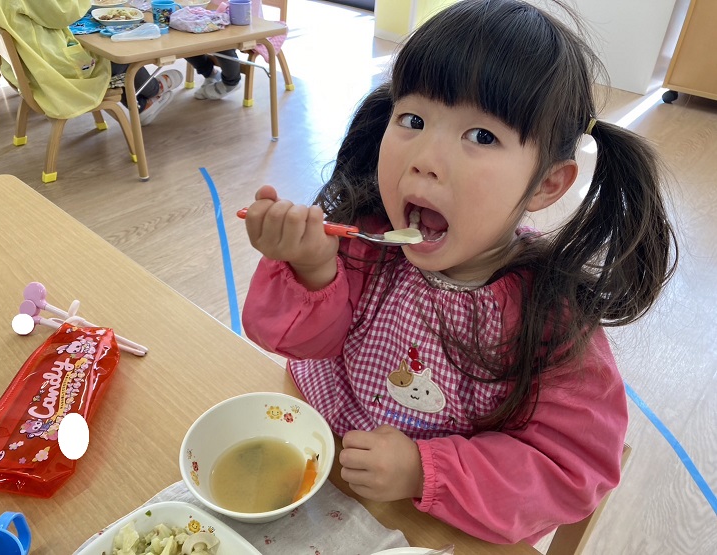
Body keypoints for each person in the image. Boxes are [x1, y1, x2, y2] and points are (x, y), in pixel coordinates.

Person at [239, 0, 679, 545]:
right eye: (413, 120)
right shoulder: (367, 237)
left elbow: (568, 471)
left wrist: (424, 470)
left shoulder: (552, 318)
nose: (424, 158)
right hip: (315, 443)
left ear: (546, 184)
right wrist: (312, 270)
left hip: (435, 516)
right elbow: (298, 342)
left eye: (482, 136)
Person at [0, 0, 182, 125]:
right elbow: (62, 13)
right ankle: (153, 90)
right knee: (115, 51)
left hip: (25, 68)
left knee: (103, 44)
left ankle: (144, 103)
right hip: (55, 73)